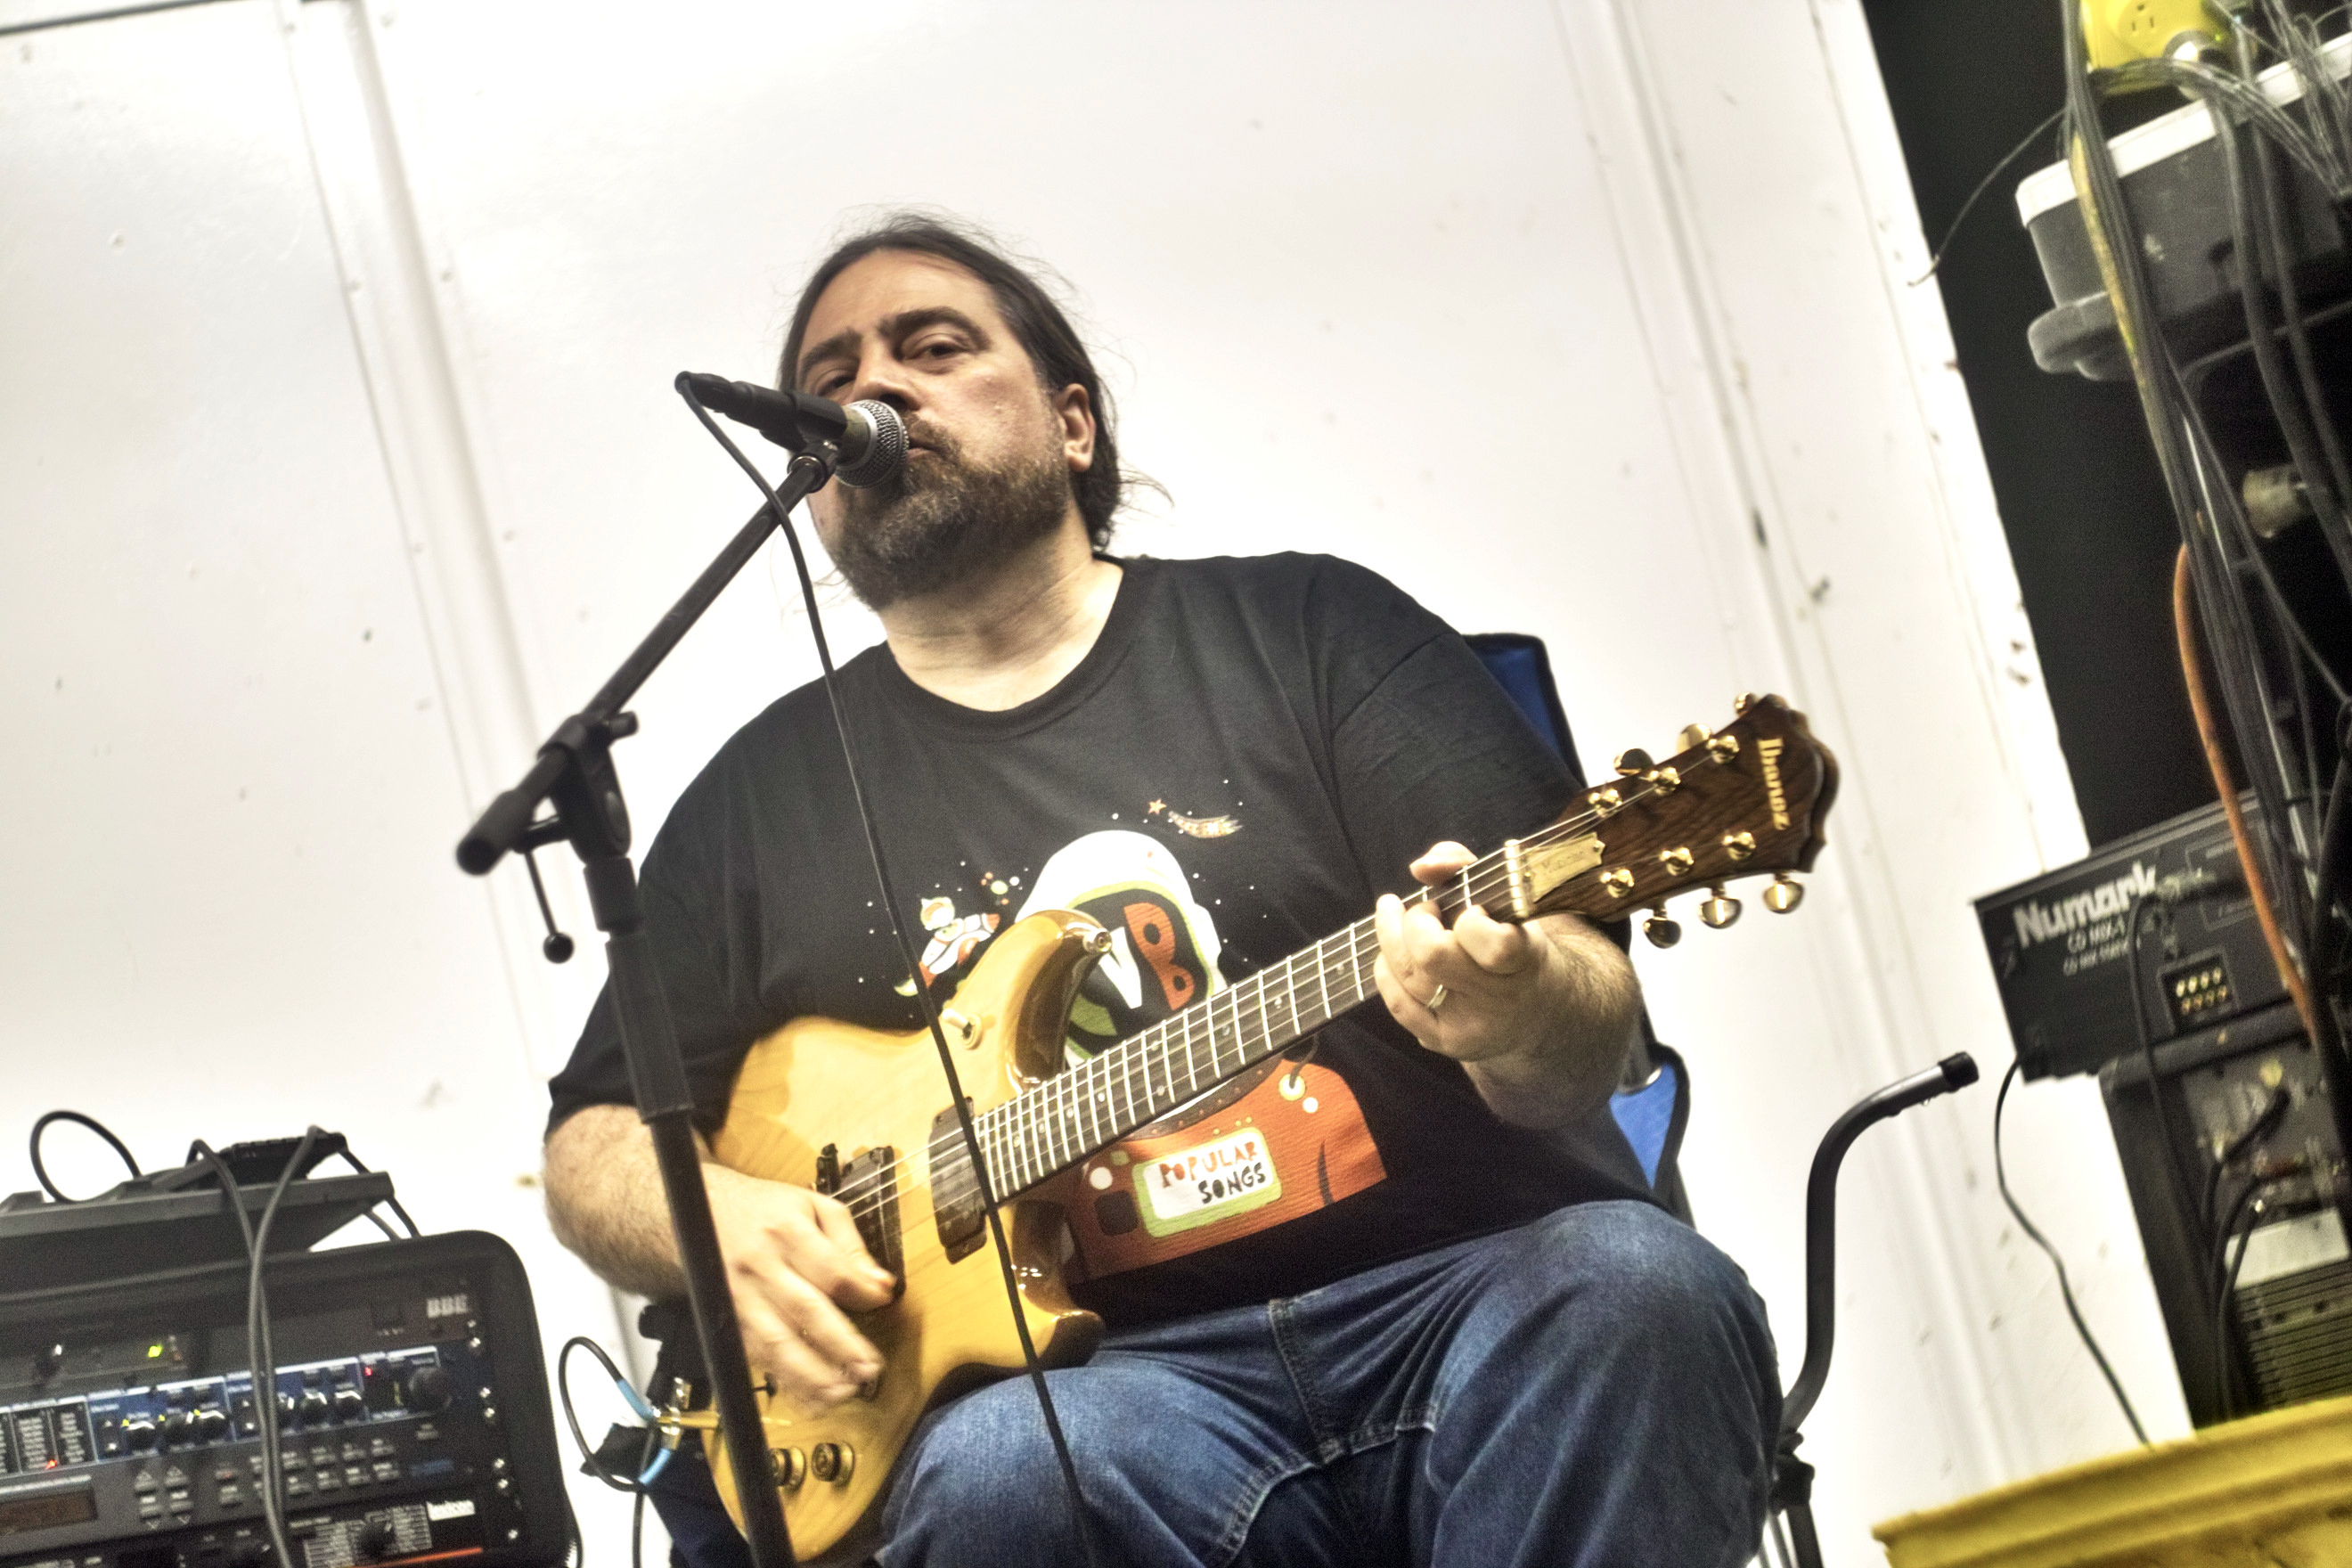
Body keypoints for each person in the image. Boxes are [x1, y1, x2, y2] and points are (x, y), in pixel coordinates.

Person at [542, 213, 1778, 1568]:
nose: (873, 387)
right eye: (830, 380)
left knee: (1639, 1289)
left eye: (933, 347)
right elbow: (592, 1144)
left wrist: (1522, 1006)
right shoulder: (759, 802)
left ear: (1073, 423)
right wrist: (718, 1219)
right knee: (1003, 1469)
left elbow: (1587, 1038)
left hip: (1465, 1308)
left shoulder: (1314, 629)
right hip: (1106, 1400)